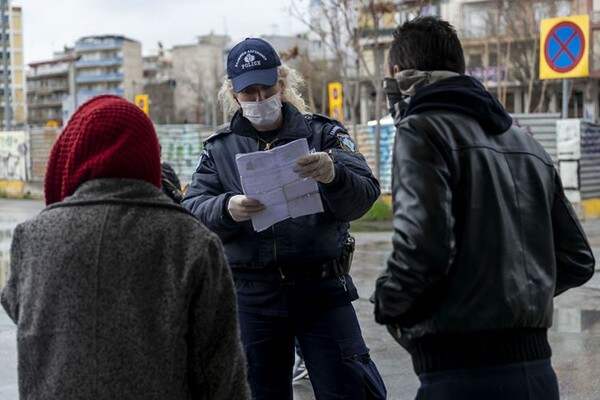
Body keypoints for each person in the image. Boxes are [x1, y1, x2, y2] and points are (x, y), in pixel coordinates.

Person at [373, 16, 595, 400]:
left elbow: (423, 250)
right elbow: (577, 260)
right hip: (539, 375)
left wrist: (388, 304)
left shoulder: (421, 130)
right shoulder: (528, 144)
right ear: (460, 70)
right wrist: (509, 298)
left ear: (397, 73)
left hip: (458, 376)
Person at [0, 95, 250, 400]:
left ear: (74, 156)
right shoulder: (192, 241)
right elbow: (221, 373)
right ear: (149, 159)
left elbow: (20, 309)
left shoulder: (34, 237)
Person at [182, 38, 386, 400]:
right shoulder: (220, 149)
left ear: (283, 82)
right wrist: (227, 208)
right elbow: (192, 211)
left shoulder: (324, 133)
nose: (260, 99)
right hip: (252, 297)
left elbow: (364, 196)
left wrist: (332, 174)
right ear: (233, 93)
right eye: (249, 92)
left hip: (321, 289)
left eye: (267, 88)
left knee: (351, 390)